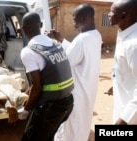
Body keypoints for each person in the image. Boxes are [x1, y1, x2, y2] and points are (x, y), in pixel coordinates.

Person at [48, 4, 102, 141]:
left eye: (75, 19)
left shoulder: (82, 39)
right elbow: (76, 53)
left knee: (70, 127)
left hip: (76, 93)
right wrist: (61, 39)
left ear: (84, 18)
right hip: (88, 91)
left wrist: (51, 46)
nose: (73, 24)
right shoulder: (95, 35)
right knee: (82, 124)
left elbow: (65, 61)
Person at [19, 12, 74, 141]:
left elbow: (37, 86)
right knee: (47, 136)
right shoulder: (55, 44)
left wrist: (26, 109)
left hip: (51, 107)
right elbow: (49, 77)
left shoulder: (28, 51)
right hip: (68, 102)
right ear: (41, 25)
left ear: (24, 29)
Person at [107, 0, 137, 125]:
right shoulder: (124, 33)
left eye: (112, 11)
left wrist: (124, 120)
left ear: (124, 15)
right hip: (123, 103)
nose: (108, 14)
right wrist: (117, 82)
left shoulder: (134, 44)